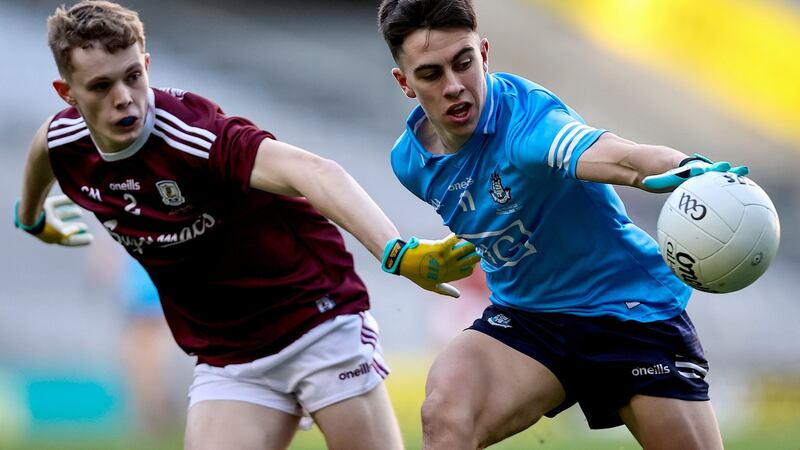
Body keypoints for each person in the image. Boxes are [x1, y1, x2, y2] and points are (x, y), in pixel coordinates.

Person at [14, 1, 480, 449]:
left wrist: (396, 252)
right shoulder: (63, 141)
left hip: (315, 320)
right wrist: (32, 216)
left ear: (147, 65)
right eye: (100, 86)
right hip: (228, 356)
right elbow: (41, 153)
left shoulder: (192, 135)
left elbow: (314, 172)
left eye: (133, 76)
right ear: (67, 94)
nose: (124, 99)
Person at [377, 1, 748, 449]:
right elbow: (499, 208)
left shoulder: (529, 123)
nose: (455, 86)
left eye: (464, 62)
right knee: (445, 413)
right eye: (432, 74)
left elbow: (621, 157)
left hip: (627, 312)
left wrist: (684, 166)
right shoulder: (410, 162)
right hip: (528, 321)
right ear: (404, 83)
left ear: (485, 54)